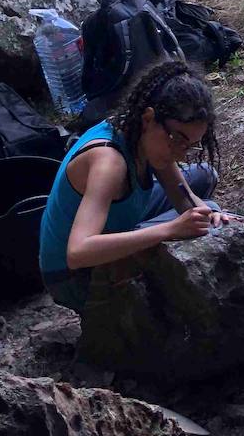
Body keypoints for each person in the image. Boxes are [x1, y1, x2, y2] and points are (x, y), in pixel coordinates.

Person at [38, 60, 227, 312]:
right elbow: (77, 253)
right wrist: (170, 230)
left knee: (206, 198)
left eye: (189, 144)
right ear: (149, 117)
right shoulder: (109, 163)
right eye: (178, 139)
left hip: (111, 224)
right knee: (188, 228)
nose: (181, 155)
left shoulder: (143, 132)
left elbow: (185, 198)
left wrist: (210, 215)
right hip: (73, 276)